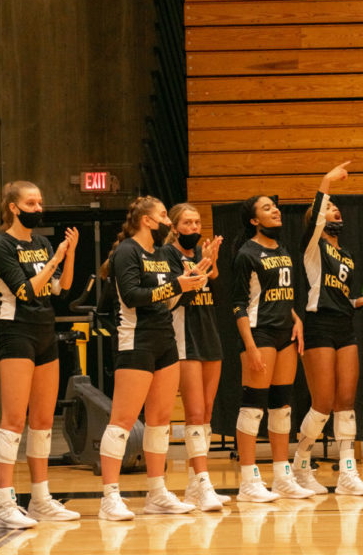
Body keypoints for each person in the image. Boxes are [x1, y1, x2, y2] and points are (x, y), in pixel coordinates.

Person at [97, 196, 208, 521]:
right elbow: (132, 297)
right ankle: (110, 497)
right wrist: (177, 284)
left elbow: (167, 301)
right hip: (137, 341)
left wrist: (190, 284)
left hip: (164, 340)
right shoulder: (127, 251)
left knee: (160, 422)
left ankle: (157, 493)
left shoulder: (161, 254)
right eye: (163, 215)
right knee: (122, 421)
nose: (169, 222)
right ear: (147, 220)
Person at [0, 181, 80, 528]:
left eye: (40, 202)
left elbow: (59, 289)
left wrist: (67, 257)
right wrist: (55, 257)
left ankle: (40, 499)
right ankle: (4, 504)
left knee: (42, 422)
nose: (39, 208)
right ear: (13, 207)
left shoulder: (40, 243)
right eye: (31, 202)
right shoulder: (0, 246)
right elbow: (25, 292)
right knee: (13, 421)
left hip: (44, 330)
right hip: (16, 332)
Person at [292, 162, 363, 496]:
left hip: (345, 324)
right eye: (330, 208)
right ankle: (301, 464)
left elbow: (341, 297)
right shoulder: (312, 246)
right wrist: (326, 182)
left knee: (346, 401)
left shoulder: (345, 254)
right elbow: (316, 215)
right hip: (319, 326)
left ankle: (348, 473)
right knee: (322, 403)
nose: (335, 210)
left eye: (335, 207)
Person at [231, 195, 312, 502]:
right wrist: (250, 346)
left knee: (282, 406)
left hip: (285, 334)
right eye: (267, 208)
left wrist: (295, 317)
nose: (275, 210)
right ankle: (248, 481)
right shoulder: (246, 254)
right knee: (253, 407)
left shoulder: (282, 249)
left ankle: (282, 476)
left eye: (274, 206)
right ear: (254, 220)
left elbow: (279, 293)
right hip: (258, 332)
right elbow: (238, 304)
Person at [163, 203, 229, 510]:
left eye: (197, 222)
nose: (193, 227)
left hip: (210, 332)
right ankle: (203, 482)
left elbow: (212, 287)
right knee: (195, 413)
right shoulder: (168, 256)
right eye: (187, 223)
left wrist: (209, 264)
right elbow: (176, 296)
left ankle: (195, 485)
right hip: (184, 336)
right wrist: (202, 265)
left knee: (206, 414)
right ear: (175, 228)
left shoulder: (200, 257)